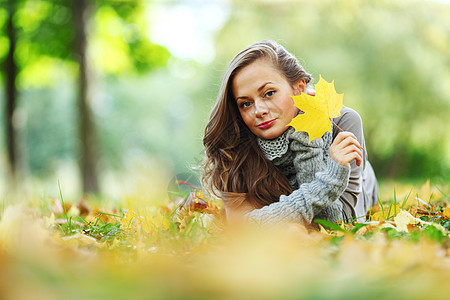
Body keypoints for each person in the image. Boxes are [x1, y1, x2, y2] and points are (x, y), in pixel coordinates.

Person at [201, 40, 378, 226]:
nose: (258, 110)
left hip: (365, 184)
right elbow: (243, 228)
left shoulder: (343, 122)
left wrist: (309, 142)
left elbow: (338, 225)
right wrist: (328, 183)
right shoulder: (235, 147)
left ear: (299, 88)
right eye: (246, 103)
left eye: (269, 93)